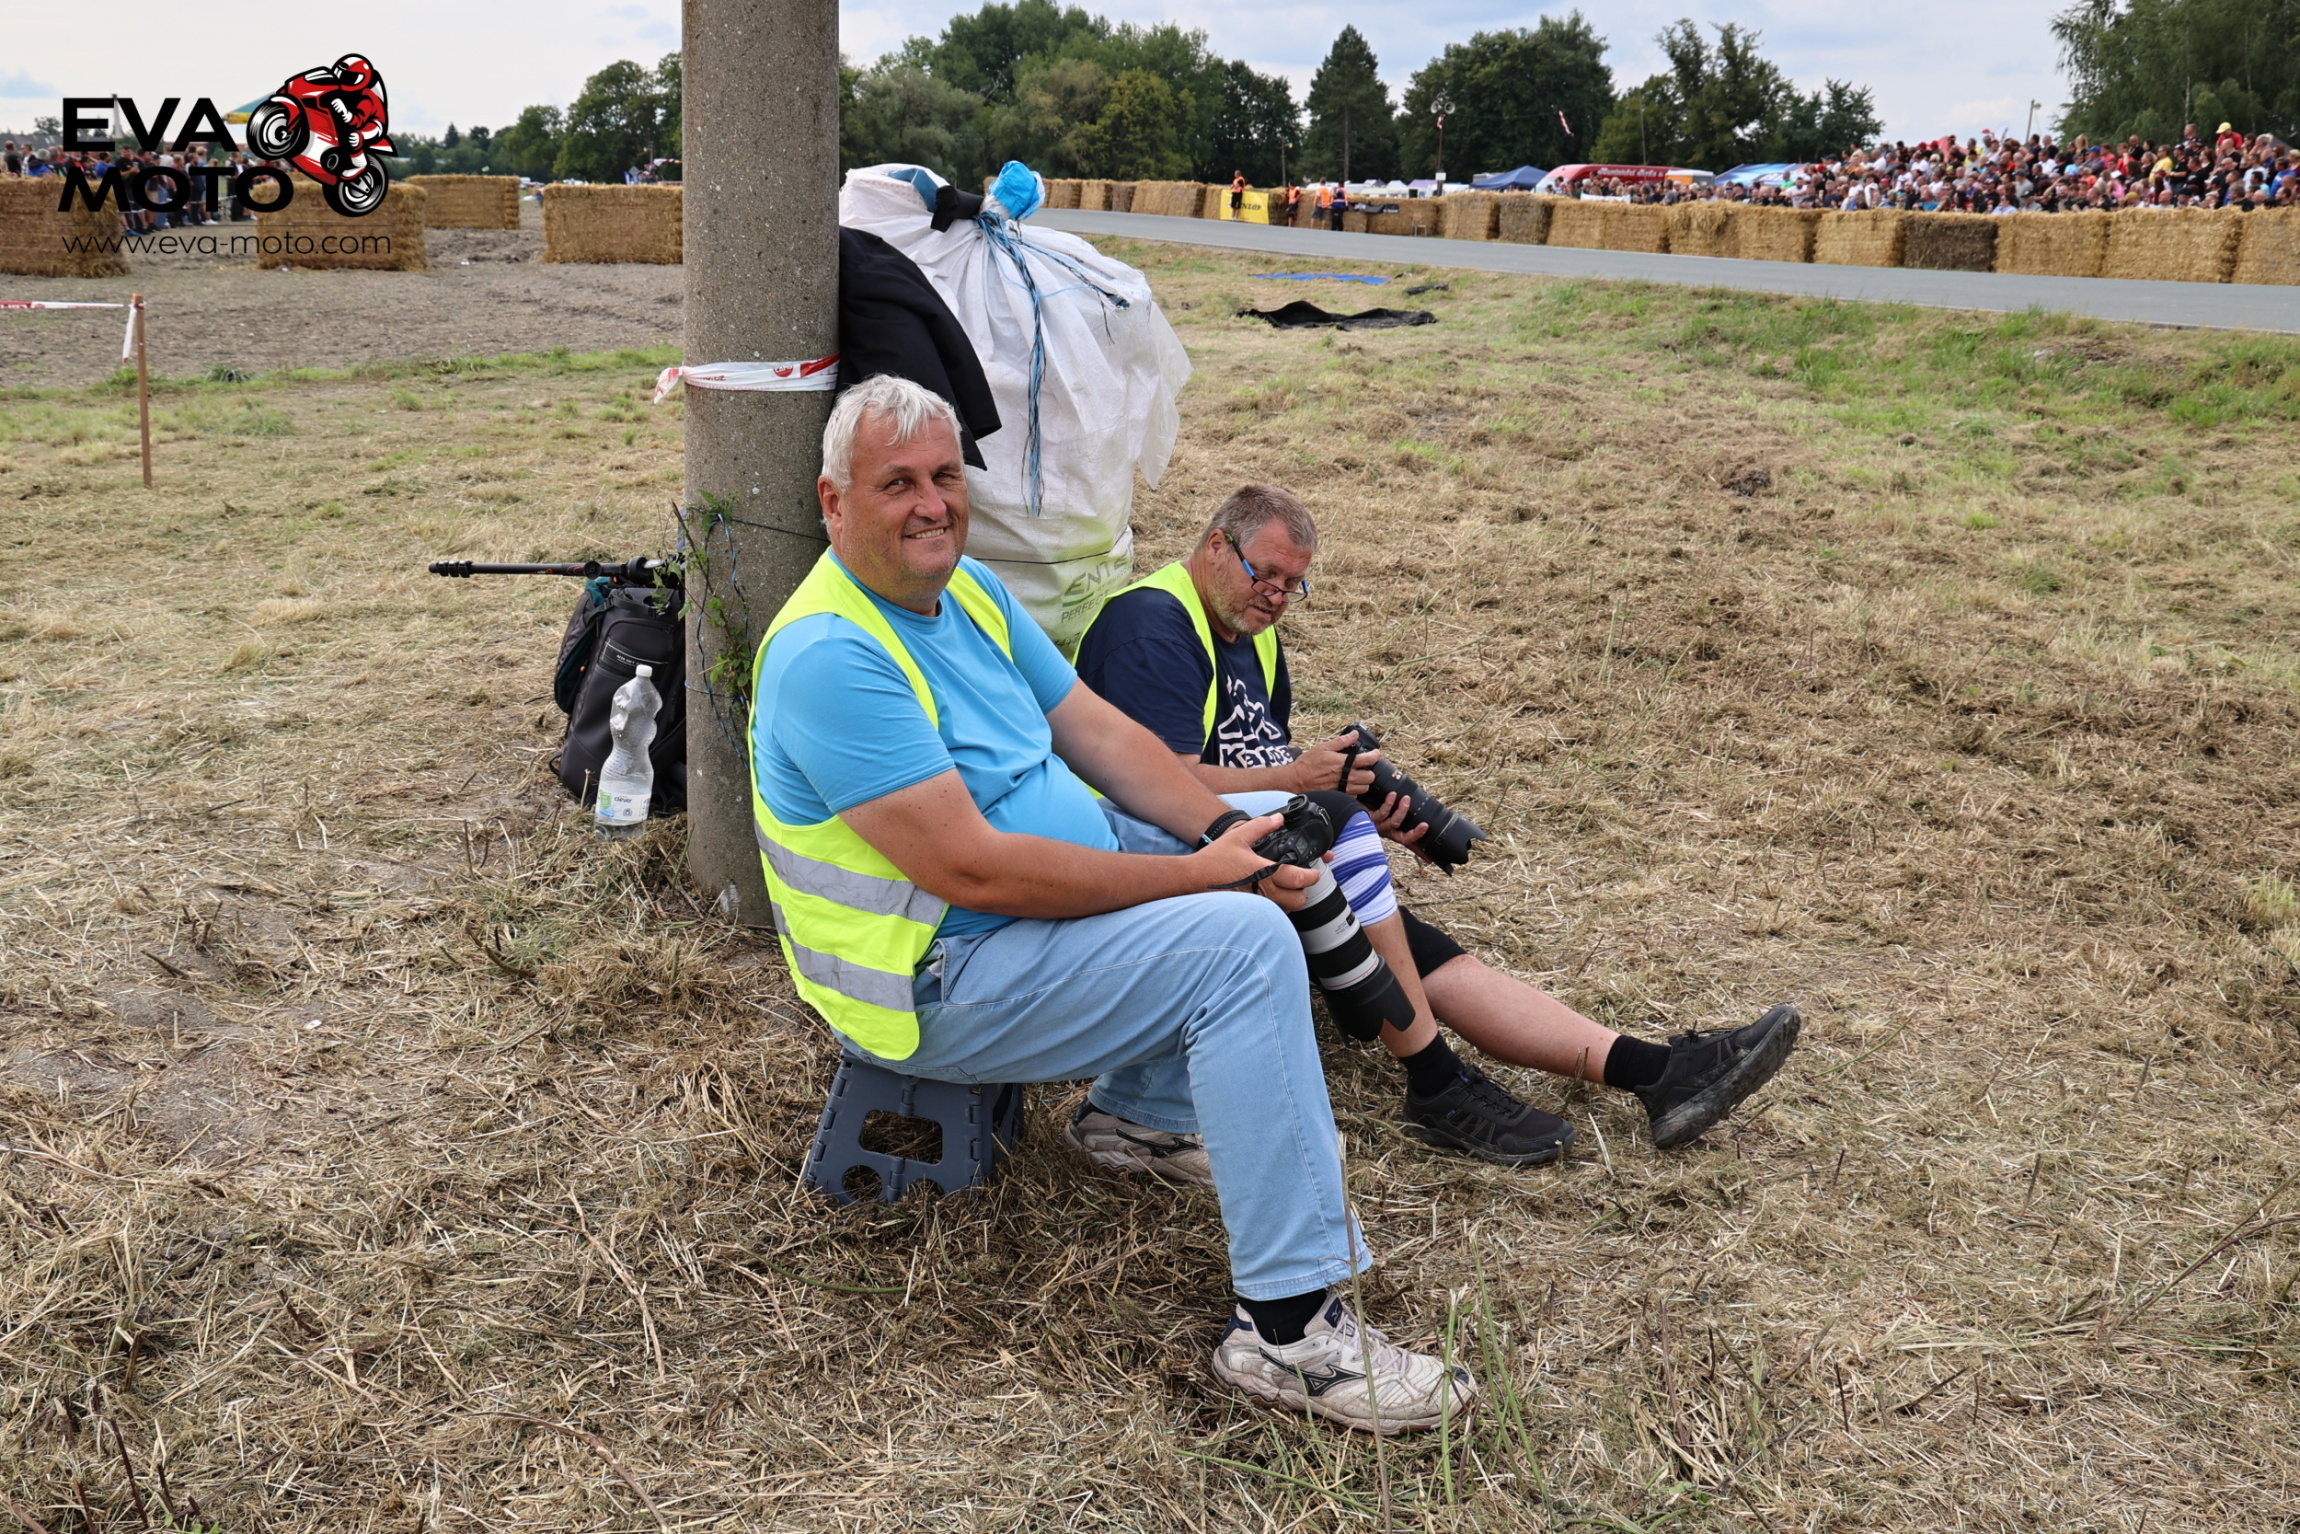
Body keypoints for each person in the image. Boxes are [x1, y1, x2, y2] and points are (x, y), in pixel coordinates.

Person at [751, 376, 1476, 1436]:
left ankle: (1140, 1117)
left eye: (945, 475)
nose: (932, 504)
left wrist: (1222, 833)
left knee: (1264, 832)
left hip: (1010, 924)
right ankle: (1289, 1334)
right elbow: (976, 872)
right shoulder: (832, 654)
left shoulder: (970, 593)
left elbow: (1099, 733)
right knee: (1238, 944)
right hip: (936, 977)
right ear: (833, 502)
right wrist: (1208, 874)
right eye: (895, 483)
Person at [1076, 486, 1801, 1162]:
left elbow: (1252, 761)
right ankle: (1436, 1080)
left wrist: (1352, 798)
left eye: (1293, 584)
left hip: (1251, 853)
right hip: (1157, 866)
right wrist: (1305, 786)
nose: (1275, 596)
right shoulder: (1152, 627)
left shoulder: (1249, 631)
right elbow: (1160, 786)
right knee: (1365, 888)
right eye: (1263, 574)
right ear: (1214, 546)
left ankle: (1656, 1072)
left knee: (1424, 948)